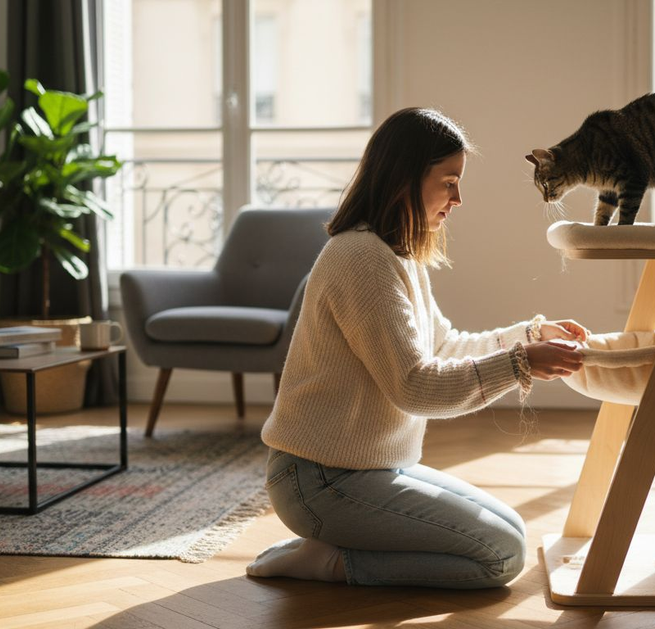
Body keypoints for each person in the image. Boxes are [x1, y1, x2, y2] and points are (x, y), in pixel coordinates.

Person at [249, 107, 589, 589]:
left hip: (368, 469)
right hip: (319, 482)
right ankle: (328, 562)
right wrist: (518, 365)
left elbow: (445, 346)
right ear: (405, 177)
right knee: (502, 557)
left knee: (511, 530)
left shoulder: (397, 253)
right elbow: (414, 386)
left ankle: (335, 543)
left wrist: (528, 337)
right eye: (449, 181)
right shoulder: (360, 257)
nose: (459, 198)